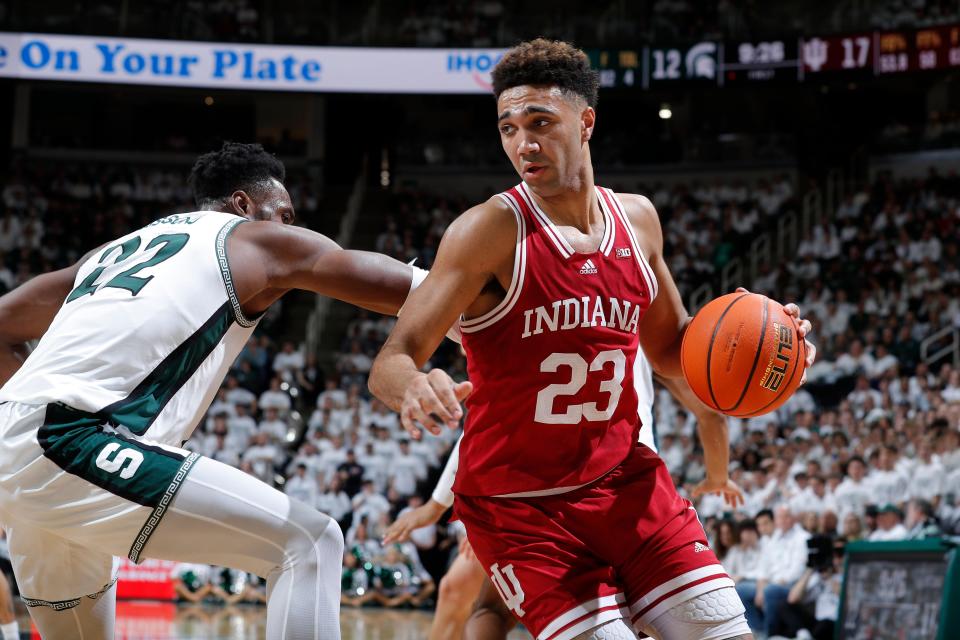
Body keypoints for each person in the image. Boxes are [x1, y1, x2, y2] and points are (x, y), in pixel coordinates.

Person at [370, 39, 814, 640]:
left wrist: (776, 349)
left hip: (627, 484)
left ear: (586, 122)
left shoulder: (638, 221)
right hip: (522, 509)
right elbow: (391, 360)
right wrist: (416, 386)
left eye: (540, 123)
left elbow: (673, 352)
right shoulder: (489, 230)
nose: (522, 143)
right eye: (508, 127)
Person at [0, 142, 436, 640]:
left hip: (22, 449)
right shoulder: (252, 241)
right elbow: (418, 290)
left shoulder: (113, 251)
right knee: (310, 543)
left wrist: (31, 408)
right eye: (284, 214)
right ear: (244, 205)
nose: (288, 228)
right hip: (71, 439)